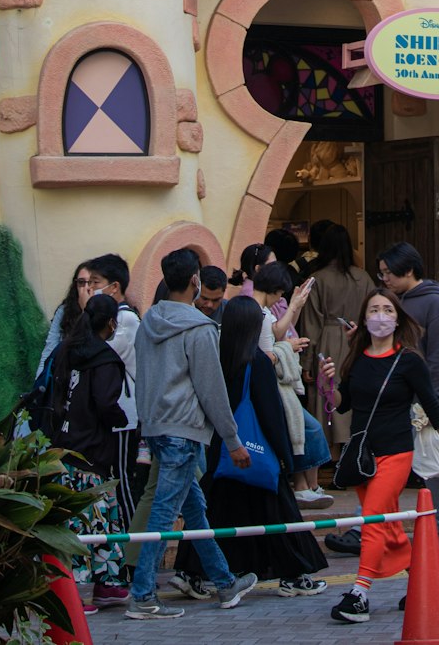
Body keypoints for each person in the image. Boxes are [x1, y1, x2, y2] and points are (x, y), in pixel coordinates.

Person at [129, 247, 257, 620]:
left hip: (155, 428)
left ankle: (224, 582)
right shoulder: (200, 330)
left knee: (194, 510)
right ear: (194, 281)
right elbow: (212, 389)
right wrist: (233, 441)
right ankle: (142, 597)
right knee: (164, 515)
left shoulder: (148, 321)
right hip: (183, 432)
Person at [324, 286, 439, 624]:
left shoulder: (409, 360)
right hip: (362, 455)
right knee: (387, 526)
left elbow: (432, 406)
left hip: (396, 452)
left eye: (388, 310)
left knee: (372, 518)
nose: (381, 316)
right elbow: (342, 403)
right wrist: (328, 387)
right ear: (363, 318)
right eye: (374, 310)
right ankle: (423, 579)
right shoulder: (356, 358)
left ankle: (359, 593)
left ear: (398, 317)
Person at [206, 296, 329, 597]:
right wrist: (286, 456)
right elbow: (270, 413)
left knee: (220, 516)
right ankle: (294, 575)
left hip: (222, 453)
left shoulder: (217, 359)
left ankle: (199, 573)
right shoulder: (257, 362)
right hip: (258, 453)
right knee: (281, 516)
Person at [377, 242, 439, 551]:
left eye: (388, 273)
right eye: (382, 272)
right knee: (386, 464)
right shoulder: (397, 301)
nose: (384, 278)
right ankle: (371, 525)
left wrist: (433, 399)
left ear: (409, 270)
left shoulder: (435, 304)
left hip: (425, 399)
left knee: (437, 464)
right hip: (397, 397)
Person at [52, 293, 131, 611]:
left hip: (62, 452)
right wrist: (122, 419)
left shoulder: (64, 350)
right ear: (111, 323)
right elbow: (105, 403)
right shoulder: (106, 358)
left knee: (70, 522)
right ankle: (89, 592)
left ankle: (94, 589)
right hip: (93, 454)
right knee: (95, 520)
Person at [251, 262, 333, 506]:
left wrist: (295, 307)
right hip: (273, 388)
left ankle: (307, 486)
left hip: (265, 387)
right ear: (275, 290)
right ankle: (305, 486)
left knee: (304, 429)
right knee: (309, 429)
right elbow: (270, 353)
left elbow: (276, 332)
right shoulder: (261, 313)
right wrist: (289, 347)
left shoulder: (255, 310)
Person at [300, 224, 373, 458]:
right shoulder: (363, 278)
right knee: (356, 392)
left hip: (328, 341)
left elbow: (311, 323)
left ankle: (330, 455)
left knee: (326, 394)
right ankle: (355, 448)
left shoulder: (317, 279)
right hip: (358, 340)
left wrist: (306, 361)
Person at [84, 254, 141, 525]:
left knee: (122, 478)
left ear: (114, 287)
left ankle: (130, 546)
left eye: (96, 283)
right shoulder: (112, 318)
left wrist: (88, 312)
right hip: (109, 413)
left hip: (123, 414)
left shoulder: (125, 319)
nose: (90, 288)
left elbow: (97, 352)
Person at [35, 262, 93, 377]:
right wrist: (39, 382)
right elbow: (49, 350)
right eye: (81, 282)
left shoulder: (103, 312)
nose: (86, 288)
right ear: (75, 285)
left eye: (90, 282)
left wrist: (86, 310)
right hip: (65, 376)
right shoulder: (64, 311)